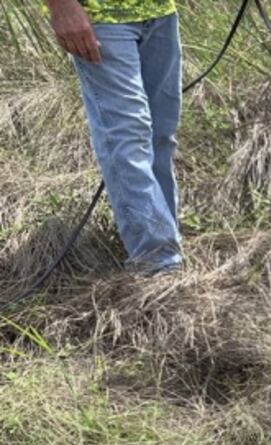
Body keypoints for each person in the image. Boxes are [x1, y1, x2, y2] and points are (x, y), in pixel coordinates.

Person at [45, 0, 183, 276]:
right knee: (128, 135)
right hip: (100, 17)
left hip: (160, 12)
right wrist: (63, 7)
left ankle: (166, 239)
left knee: (160, 135)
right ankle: (156, 262)